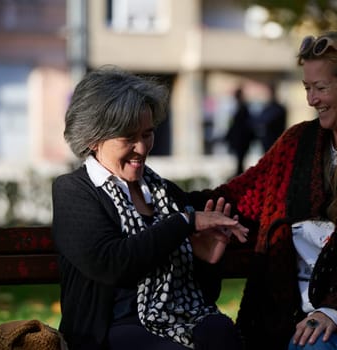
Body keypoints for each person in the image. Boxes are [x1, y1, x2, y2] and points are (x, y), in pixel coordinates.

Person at [188, 30, 337, 350]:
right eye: (306, 87)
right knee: (311, 344)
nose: (311, 99)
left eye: (321, 88)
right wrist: (154, 193)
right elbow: (235, 197)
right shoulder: (297, 144)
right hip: (302, 314)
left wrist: (334, 308)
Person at [52, 66, 249, 350]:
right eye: (128, 137)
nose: (142, 148)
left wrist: (205, 261)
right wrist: (184, 222)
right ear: (93, 138)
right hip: (109, 330)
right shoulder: (74, 191)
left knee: (221, 332)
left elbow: (200, 296)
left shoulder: (165, 192)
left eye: (147, 134)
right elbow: (112, 264)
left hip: (177, 321)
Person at [225, 87, 254, 176]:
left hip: (241, 141)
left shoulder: (243, 108)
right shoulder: (239, 107)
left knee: (240, 162)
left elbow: (242, 126)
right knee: (239, 161)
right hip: (239, 141)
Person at [251, 82, 287, 152]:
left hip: (274, 140)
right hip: (268, 140)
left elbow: (266, 120)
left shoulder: (277, 108)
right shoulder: (268, 107)